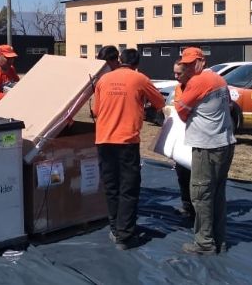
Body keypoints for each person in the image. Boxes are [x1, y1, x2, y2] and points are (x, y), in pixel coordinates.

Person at [93, 48, 164, 250]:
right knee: (128, 188)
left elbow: (96, 111)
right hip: (126, 141)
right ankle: (124, 236)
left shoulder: (103, 80)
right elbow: (159, 102)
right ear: (136, 64)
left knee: (111, 187)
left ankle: (115, 228)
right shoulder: (140, 79)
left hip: (103, 140)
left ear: (120, 60)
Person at [174, 47, 236, 255]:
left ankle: (204, 243)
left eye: (191, 64)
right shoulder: (219, 79)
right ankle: (219, 240)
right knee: (217, 193)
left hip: (207, 146)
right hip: (224, 142)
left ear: (201, 61)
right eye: (186, 64)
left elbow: (181, 111)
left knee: (201, 194)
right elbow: (228, 104)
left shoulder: (198, 82)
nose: (188, 68)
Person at [171, 60, 194, 219]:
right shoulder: (178, 87)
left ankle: (197, 207)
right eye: (174, 73)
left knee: (196, 174)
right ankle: (187, 205)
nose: (176, 76)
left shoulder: (196, 87)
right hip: (182, 135)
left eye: (179, 73)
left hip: (197, 135)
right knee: (182, 172)